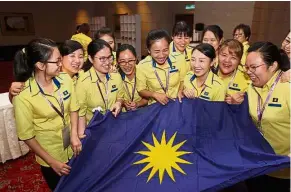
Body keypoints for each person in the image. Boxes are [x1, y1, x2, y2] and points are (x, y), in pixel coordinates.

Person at [12, 38, 81, 191]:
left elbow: (74, 109)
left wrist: (75, 134)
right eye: (56, 62)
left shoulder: (65, 80)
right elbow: (27, 136)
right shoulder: (23, 95)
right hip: (51, 154)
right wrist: (51, 162)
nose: (60, 65)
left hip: (72, 145)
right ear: (40, 65)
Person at [238, 42, 290, 191]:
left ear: (273, 66)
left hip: (284, 172)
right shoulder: (251, 87)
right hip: (257, 166)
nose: (249, 72)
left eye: (254, 67)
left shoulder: (287, 87)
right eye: (247, 67)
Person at [76, 39, 124, 138]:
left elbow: (120, 96)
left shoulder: (116, 77)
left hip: (114, 127)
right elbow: (81, 115)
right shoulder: (83, 83)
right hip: (94, 132)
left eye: (110, 57)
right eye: (102, 59)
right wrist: (82, 136)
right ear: (90, 58)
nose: (107, 62)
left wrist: (119, 103)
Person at [9, 40, 85, 101]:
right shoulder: (48, 79)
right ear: (60, 57)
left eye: (81, 57)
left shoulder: (83, 76)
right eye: (72, 56)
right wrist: (11, 93)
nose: (77, 61)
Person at [136, 29, 189, 105]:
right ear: (149, 50)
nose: (161, 55)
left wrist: (180, 91)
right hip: (155, 106)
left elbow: (183, 80)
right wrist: (154, 94)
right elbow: (141, 90)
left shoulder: (179, 59)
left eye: (165, 50)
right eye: (157, 51)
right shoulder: (142, 66)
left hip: (176, 103)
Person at [216, 39, 250, 104]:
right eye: (224, 55)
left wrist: (240, 104)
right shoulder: (208, 73)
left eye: (233, 58)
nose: (227, 60)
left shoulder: (246, 79)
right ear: (218, 55)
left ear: (239, 61)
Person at [116, 44, 148, 111]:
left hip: (142, 113)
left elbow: (148, 98)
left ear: (136, 59)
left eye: (130, 60)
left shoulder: (144, 72)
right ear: (117, 62)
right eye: (122, 61)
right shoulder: (115, 76)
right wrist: (123, 102)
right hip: (122, 115)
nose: (127, 65)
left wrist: (138, 104)